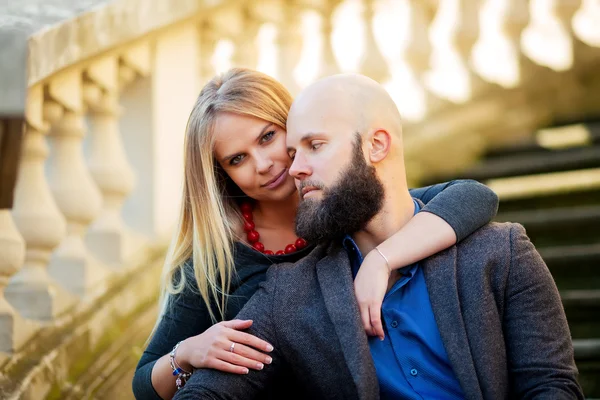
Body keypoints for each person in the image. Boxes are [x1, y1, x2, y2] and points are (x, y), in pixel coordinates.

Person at [173, 73, 583, 400]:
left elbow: (551, 386)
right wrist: (181, 358)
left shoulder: (501, 253)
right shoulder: (285, 293)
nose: (290, 167)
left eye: (313, 145)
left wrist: (383, 258)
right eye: (293, 152)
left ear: (376, 145)